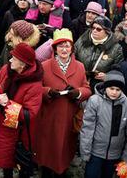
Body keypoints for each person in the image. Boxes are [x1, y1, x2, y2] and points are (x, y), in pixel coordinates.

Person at [35, 29, 92, 177]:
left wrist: (77, 93)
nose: (64, 49)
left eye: (67, 46)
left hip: (69, 117)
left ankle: (62, 171)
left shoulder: (79, 66)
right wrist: (47, 92)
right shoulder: (45, 66)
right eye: (60, 46)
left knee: (64, 150)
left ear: (72, 48)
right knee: (48, 150)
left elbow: (87, 89)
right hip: (49, 116)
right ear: (54, 48)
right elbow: (35, 89)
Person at [0, 43, 44, 178]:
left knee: (15, 161)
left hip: (17, 134)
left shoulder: (34, 85)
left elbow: (30, 114)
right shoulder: (6, 70)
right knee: (4, 163)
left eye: (14, 58)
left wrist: (7, 104)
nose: (10, 60)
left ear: (23, 64)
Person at [80, 70, 127, 178]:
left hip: (115, 154)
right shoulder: (94, 101)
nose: (114, 92)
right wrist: (86, 153)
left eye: (118, 89)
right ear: (105, 87)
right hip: (95, 153)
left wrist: (126, 158)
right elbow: (87, 128)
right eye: (111, 88)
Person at [74, 16, 124, 88]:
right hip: (79, 81)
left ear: (106, 31)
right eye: (93, 28)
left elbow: (118, 69)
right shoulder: (82, 40)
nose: (94, 30)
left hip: (99, 86)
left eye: (98, 29)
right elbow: (72, 56)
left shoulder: (116, 48)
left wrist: (107, 76)